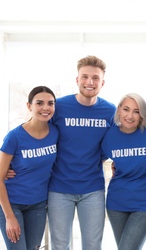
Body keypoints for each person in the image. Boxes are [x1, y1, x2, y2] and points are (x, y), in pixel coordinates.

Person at [47, 55, 116, 249]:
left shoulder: (110, 111)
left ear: (102, 82)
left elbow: (114, 144)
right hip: (59, 188)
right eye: (85, 77)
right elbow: (38, 135)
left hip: (93, 189)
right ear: (77, 80)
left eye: (95, 78)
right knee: (60, 244)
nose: (90, 82)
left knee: (93, 245)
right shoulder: (58, 107)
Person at [101, 93, 146, 250]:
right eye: (126, 109)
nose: (130, 116)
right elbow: (93, 159)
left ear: (142, 114)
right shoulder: (109, 136)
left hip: (144, 204)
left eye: (136, 111)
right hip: (116, 203)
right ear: (119, 111)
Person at [0, 86, 58, 249]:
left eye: (50, 103)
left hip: (38, 205)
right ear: (29, 106)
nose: (45, 108)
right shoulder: (15, 137)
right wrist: (10, 217)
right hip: (12, 205)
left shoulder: (55, 132)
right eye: (39, 103)